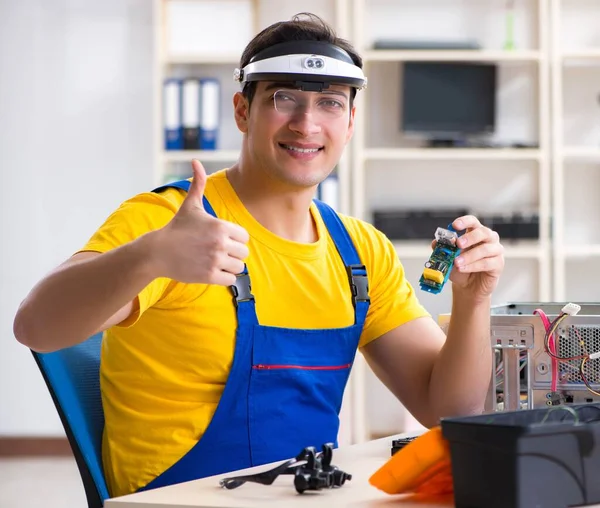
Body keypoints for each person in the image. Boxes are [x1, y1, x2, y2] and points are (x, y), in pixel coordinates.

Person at [13, 12, 504, 499]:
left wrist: (473, 302)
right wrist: (150, 256)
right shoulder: (172, 222)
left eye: (329, 103)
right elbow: (35, 326)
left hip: (304, 496)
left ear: (350, 122)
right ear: (243, 110)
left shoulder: (360, 253)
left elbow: (447, 412)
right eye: (283, 98)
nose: (306, 123)